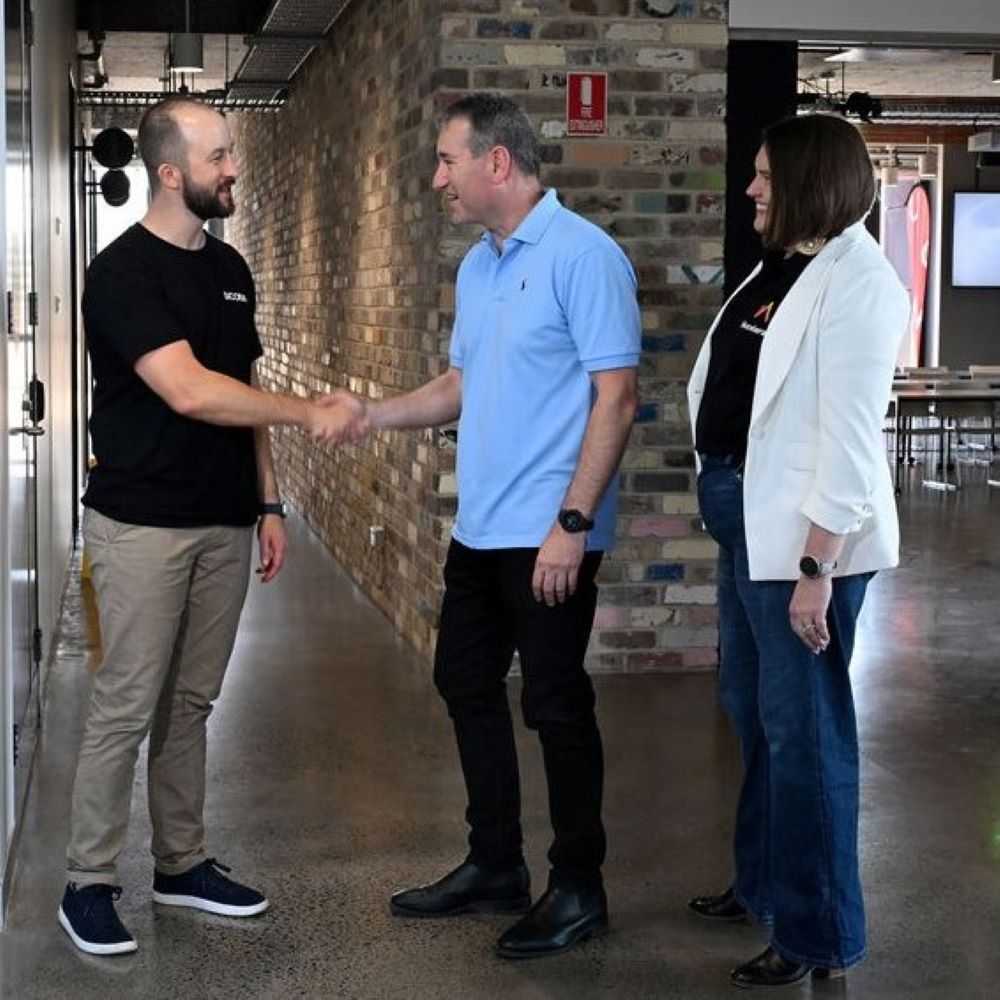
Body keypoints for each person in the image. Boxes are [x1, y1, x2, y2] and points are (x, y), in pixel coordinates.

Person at [336, 93, 640, 958]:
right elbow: (458, 386)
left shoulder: (586, 258)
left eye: (447, 161)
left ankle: (580, 886)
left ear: (496, 162)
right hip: (481, 529)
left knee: (555, 705)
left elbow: (616, 398)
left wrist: (574, 523)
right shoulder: (480, 264)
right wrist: (373, 414)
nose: (438, 178)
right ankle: (495, 864)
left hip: (550, 532)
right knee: (463, 682)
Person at [58, 96, 360, 956]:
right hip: (142, 525)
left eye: (230, 152)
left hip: (226, 523)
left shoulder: (231, 269)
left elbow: (240, 397)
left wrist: (268, 504)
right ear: (168, 172)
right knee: (127, 704)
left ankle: (181, 864)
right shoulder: (120, 274)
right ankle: (88, 879)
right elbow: (190, 390)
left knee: (191, 702)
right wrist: (312, 412)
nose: (233, 168)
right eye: (219, 156)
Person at [685, 113, 909, 988]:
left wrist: (817, 567)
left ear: (811, 180)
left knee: (806, 734)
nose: (752, 189)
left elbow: (852, 443)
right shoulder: (783, 264)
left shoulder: (862, 283)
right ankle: (762, 885)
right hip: (747, 518)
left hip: (806, 543)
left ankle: (819, 936)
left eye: (767, 175)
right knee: (753, 711)